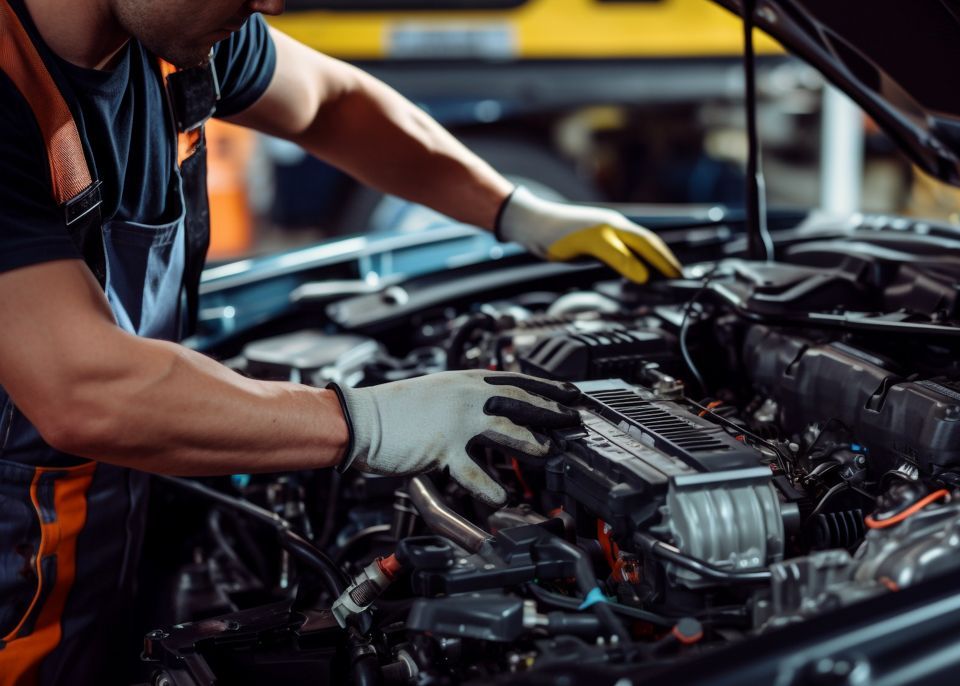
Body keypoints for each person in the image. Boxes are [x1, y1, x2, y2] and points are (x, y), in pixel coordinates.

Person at [0, 0, 684, 682]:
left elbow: (334, 104)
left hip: (123, 509)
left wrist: (513, 209)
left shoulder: (169, 37)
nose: (272, 2)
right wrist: (369, 421)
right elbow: (82, 391)